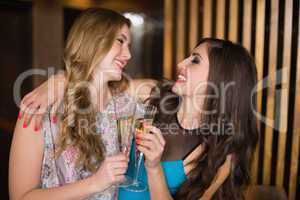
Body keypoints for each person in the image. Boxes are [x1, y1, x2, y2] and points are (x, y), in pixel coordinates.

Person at [18, 38, 258, 200]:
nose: (180, 64)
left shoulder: (221, 152)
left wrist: (154, 168)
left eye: (195, 60)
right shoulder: (153, 95)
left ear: (220, 77)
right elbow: (95, 84)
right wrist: (58, 81)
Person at [9, 8, 137, 200]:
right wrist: (95, 183)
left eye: (129, 45)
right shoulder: (40, 109)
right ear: (92, 40)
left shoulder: (124, 104)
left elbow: (162, 88)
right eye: (120, 41)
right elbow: (21, 197)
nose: (128, 55)